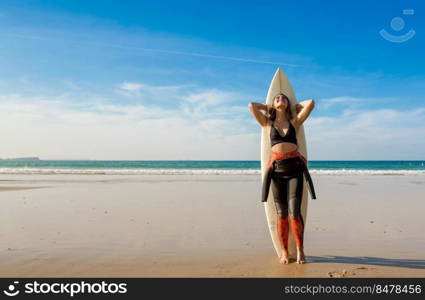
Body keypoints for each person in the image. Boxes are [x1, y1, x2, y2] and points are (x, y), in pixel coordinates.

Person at [248, 93, 316, 264]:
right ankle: (284, 252)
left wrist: (293, 107)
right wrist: (268, 107)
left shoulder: (295, 122)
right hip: (276, 172)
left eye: (284, 98)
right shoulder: (267, 123)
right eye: (277, 98)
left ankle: (300, 250)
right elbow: (251, 106)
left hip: (295, 170)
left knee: (294, 212)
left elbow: (311, 103)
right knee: (282, 214)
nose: (280, 100)